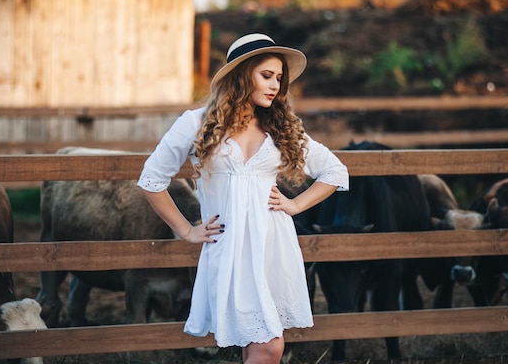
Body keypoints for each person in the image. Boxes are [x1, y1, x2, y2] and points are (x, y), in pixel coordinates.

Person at [137, 33, 349, 363]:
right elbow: (151, 179)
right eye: (266, 76)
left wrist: (294, 205)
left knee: (264, 345)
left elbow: (335, 171)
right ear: (241, 75)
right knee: (268, 346)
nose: (275, 85)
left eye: (279, 78)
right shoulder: (196, 123)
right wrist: (186, 230)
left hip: (272, 246)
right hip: (229, 247)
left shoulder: (281, 127)